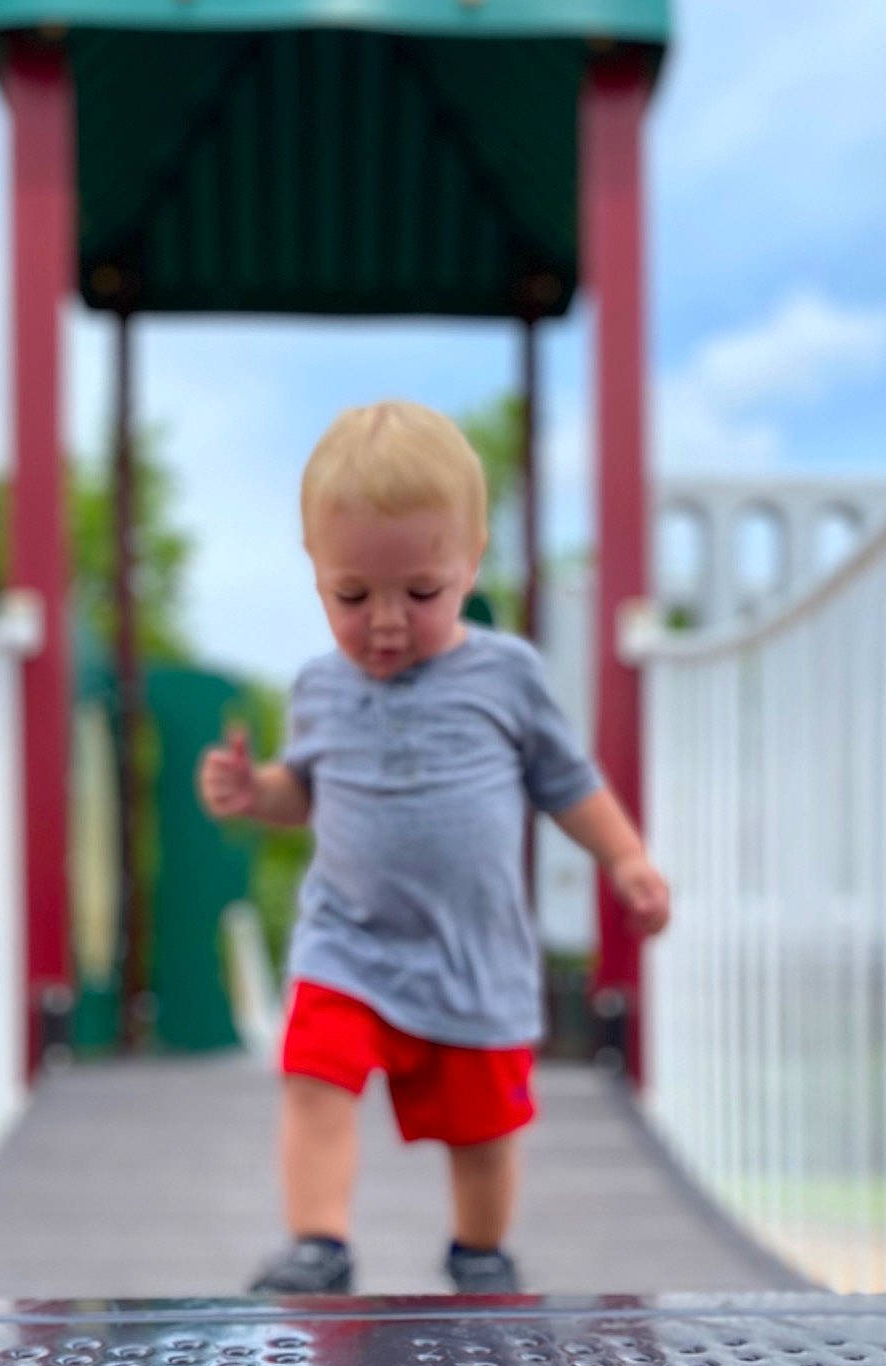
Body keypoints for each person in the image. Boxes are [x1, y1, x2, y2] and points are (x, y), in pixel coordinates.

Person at [196, 400, 670, 1294]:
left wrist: (627, 858)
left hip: (471, 949)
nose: (383, 621)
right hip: (353, 939)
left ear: (470, 564)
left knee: (483, 1127)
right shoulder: (318, 688)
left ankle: (480, 1251)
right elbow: (306, 791)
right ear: (315, 573)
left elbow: (566, 780)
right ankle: (319, 1243)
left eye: (420, 593)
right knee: (312, 1076)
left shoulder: (505, 675)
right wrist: (255, 794)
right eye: (351, 595)